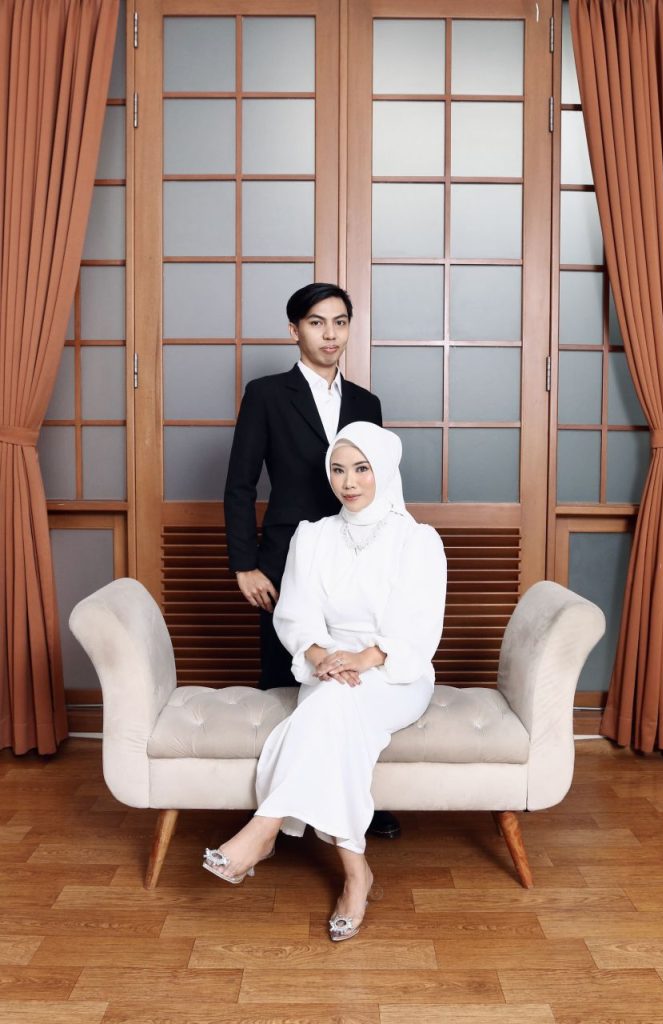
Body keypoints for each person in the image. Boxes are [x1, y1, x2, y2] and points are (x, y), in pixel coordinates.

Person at [205, 422, 447, 941]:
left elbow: (418, 628)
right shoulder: (312, 536)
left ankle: (265, 828)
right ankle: (356, 875)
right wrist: (321, 656)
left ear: (384, 470)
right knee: (335, 709)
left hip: (395, 675)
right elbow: (295, 615)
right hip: (327, 669)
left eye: (361, 469)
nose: (348, 482)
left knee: (333, 706)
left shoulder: (417, 540)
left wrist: (362, 658)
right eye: (337, 470)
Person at [224, 282, 399, 839]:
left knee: (355, 684)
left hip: (357, 555)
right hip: (284, 558)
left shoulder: (367, 403)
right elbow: (239, 484)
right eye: (317, 322)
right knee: (286, 677)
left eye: (340, 322)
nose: (330, 334)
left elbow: (379, 482)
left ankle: (360, 804)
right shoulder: (266, 394)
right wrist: (245, 564)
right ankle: (281, 807)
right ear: (294, 329)